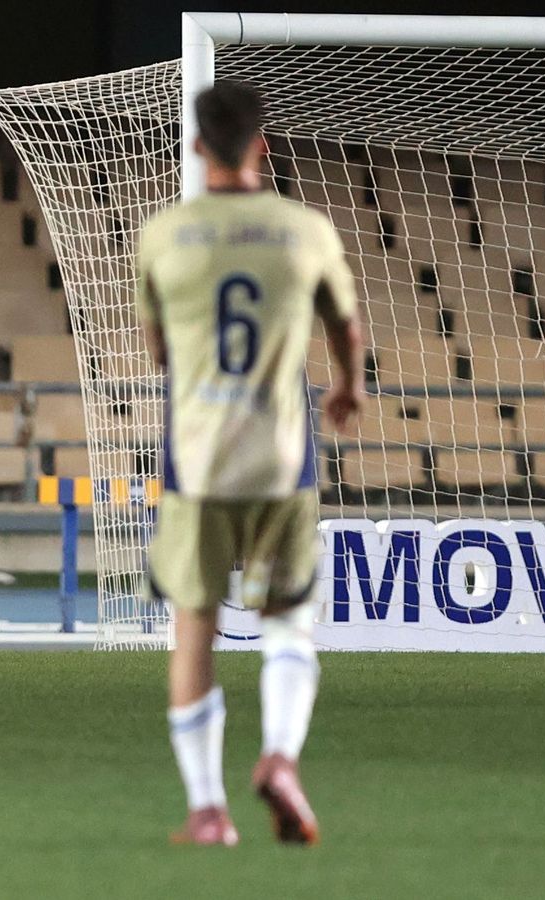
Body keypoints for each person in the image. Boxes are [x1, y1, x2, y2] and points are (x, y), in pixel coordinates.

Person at [136, 81, 363, 847]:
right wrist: (348, 389)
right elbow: (346, 327)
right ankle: (280, 757)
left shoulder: (166, 235)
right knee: (289, 622)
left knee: (194, 627)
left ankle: (207, 810)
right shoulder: (305, 229)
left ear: (197, 147)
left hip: (198, 462)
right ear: (262, 144)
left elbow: (160, 350)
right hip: (280, 459)